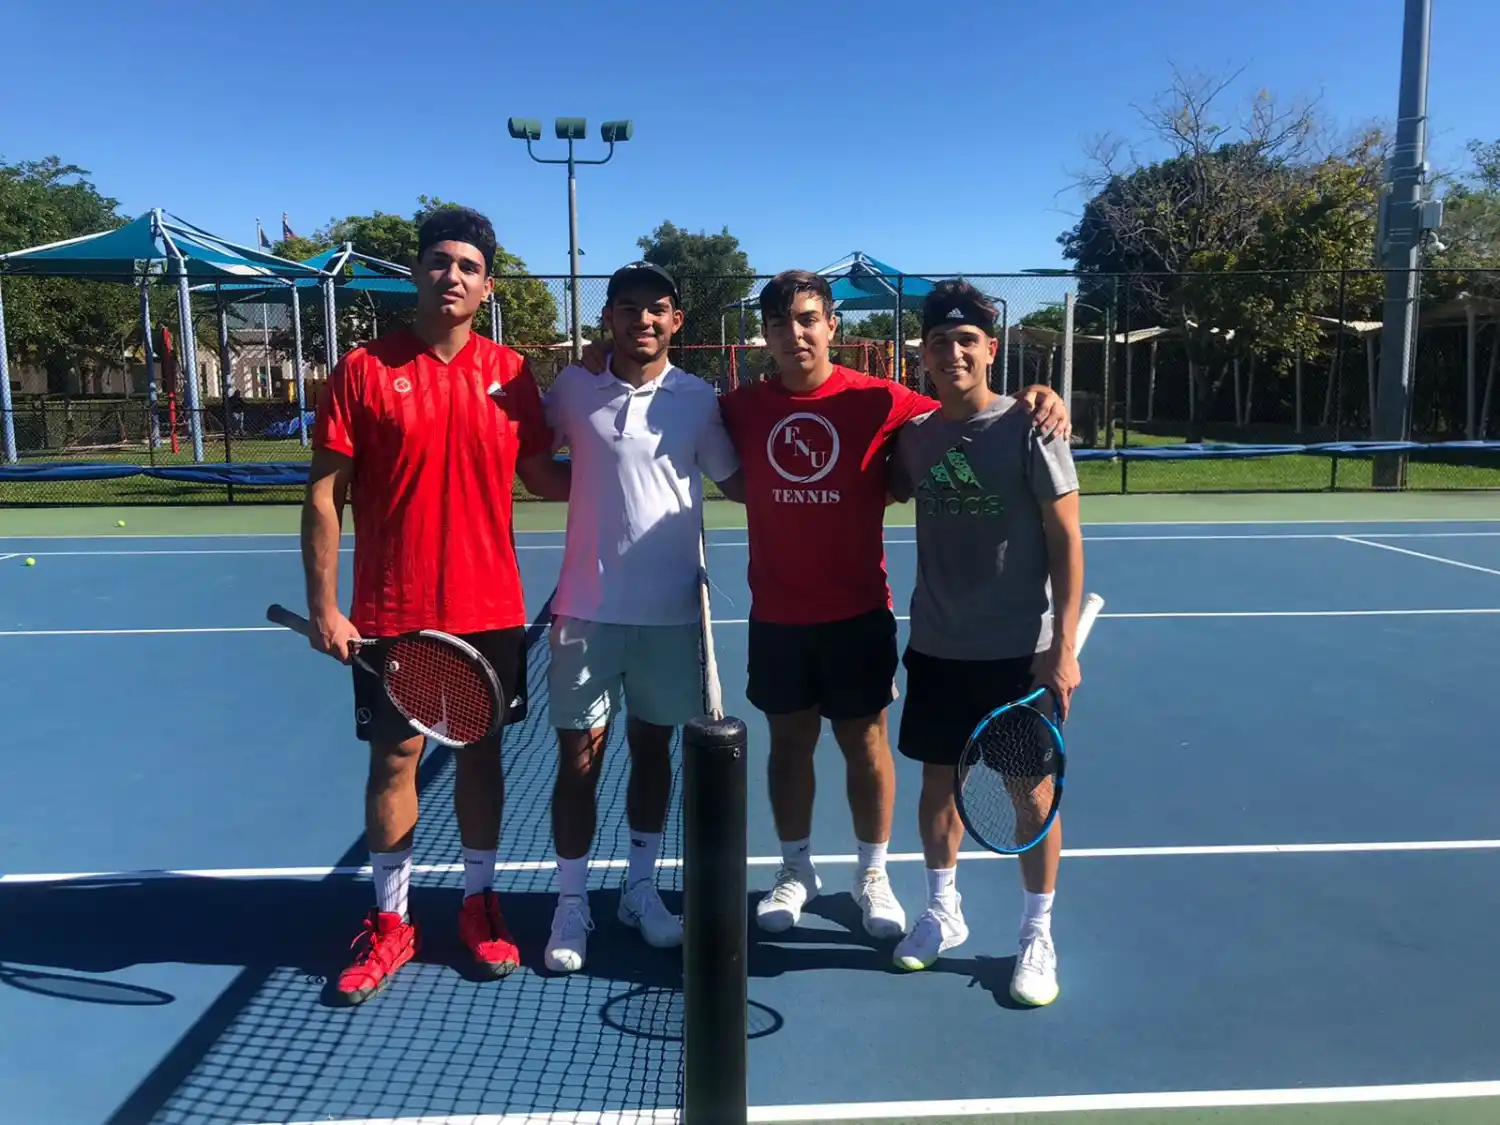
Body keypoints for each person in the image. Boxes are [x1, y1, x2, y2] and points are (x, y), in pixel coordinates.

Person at [717, 270, 1071, 944]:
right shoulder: (736, 408)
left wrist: (1042, 397)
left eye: (809, 319)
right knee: (789, 745)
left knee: (865, 742)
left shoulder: (885, 401)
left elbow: (968, 406)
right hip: (777, 616)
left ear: (832, 327)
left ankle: (872, 873)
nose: (796, 333)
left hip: (858, 614)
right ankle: (795, 871)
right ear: (763, 334)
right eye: (782, 322)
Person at [302, 206, 569, 1005]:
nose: (451, 275)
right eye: (439, 261)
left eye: (468, 266)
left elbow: (545, 477)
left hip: (489, 605)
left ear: (487, 286)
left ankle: (479, 904)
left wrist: (632, 464)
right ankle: (391, 921)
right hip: (390, 609)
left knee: (482, 756)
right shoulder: (363, 370)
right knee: (395, 760)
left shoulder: (514, 374)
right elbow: (324, 495)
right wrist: (326, 604)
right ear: (417, 272)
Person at [538, 262, 743, 973]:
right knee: (577, 762)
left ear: (676, 321)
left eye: (657, 310)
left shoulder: (698, 399)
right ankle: (570, 901)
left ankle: (639, 888)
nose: (643, 321)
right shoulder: (572, 388)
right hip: (585, 613)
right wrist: (587, 489)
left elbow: (740, 480)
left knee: (654, 753)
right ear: (610, 319)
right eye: (629, 309)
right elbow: (533, 461)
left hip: (672, 615)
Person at [886, 279, 1083, 1007]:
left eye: (968, 339)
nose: (953, 350)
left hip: (1015, 654)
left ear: (990, 349)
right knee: (937, 788)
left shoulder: (1033, 428)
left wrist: (1061, 646)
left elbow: (1066, 540)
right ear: (925, 356)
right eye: (940, 340)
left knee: (1029, 796)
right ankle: (943, 909)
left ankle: (1037, 932)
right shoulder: (914, 438)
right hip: (937, 645)